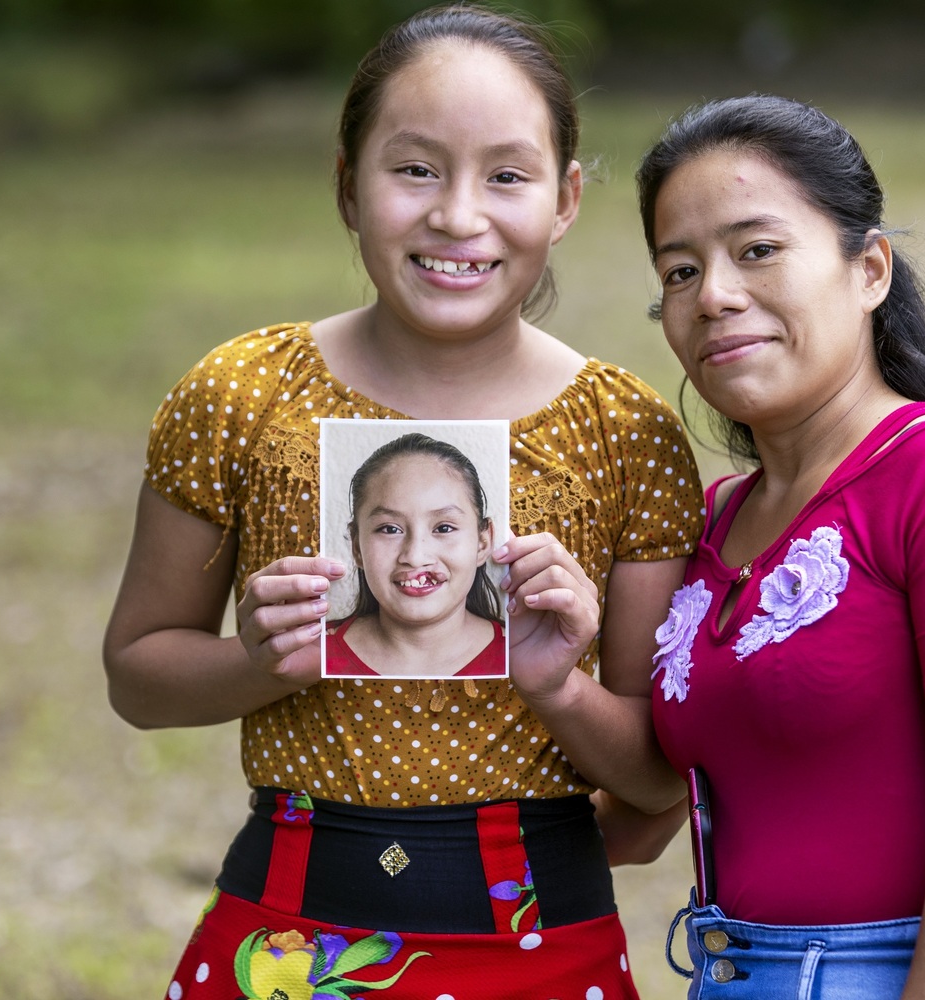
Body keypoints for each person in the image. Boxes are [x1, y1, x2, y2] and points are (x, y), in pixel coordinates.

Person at [101, 5, 703, 998]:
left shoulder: (624, 429)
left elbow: (655, 780)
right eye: (414, 168)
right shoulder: (242, 393)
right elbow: (137, 672)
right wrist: (256, 663)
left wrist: (560, 685)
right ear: (347, 184)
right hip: (288, 937)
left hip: (544, 942)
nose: (457, 216)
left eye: (506, 175)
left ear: (565, 199)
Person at [633, 94, 925, 999]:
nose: (712, 294)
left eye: (757, 250)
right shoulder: (713, 521)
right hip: (727, 973)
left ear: (868, 268)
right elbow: (639, 819)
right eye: (679, 271)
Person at [324, 431, 507, 680]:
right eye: (390, 529)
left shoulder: (522, 654)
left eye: (443, 528)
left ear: (482, 543)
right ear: (357, 546)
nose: (415, 556)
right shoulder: (310, 653)